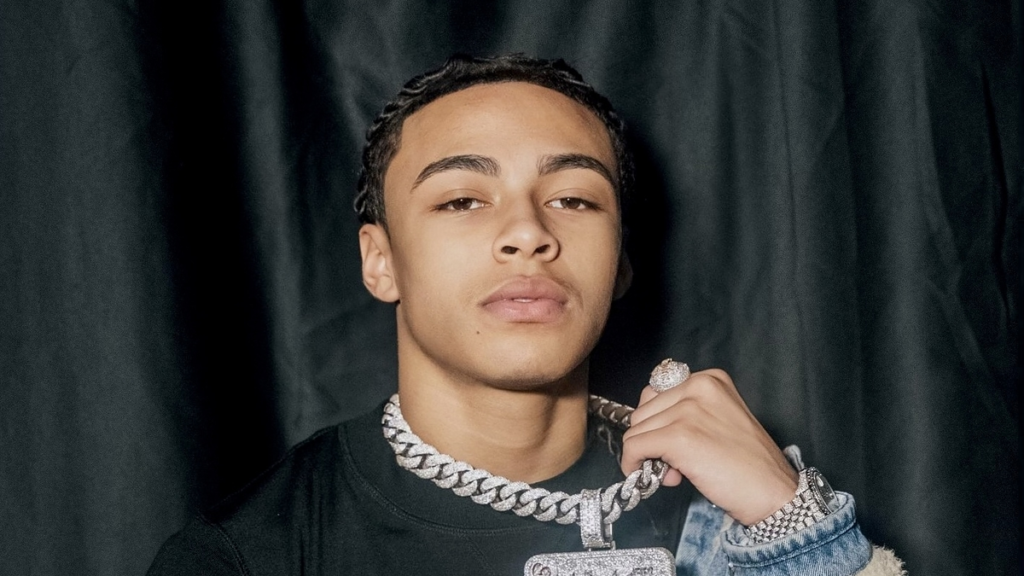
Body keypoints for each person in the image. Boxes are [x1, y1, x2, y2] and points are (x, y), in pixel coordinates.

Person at [147, 54, 905, 575]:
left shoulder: (723, 507)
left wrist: (792, 525)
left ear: (621, 260)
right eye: (461, 200)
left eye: (573, 198)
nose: (528, 233)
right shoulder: (248, 556)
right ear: (381, 261)